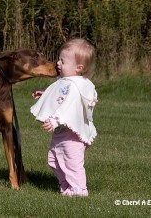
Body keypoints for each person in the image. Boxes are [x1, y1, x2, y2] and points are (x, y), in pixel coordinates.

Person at [30, 38, 98, 197]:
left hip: (71, 135)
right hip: (61, 133)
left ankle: (79, 190)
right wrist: (45, 94)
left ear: (78, 67)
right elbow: (59, 95)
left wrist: (55, 120)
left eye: (63, 61)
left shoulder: (76, 86)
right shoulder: (66, 81)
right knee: (53, 159)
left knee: (72, 162)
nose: (58, 63)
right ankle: (66, 186)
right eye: (59, 59)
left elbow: (70, 107)